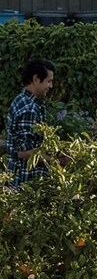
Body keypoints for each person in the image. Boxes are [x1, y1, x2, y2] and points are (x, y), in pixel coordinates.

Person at [6, 59, 54, 187]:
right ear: (36, 79)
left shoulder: (22, 100)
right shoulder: (29, 108)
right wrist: (56, 162)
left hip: (20, 181)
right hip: (25, 182)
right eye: (48, 81)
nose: (51, 86)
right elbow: (25, 152)